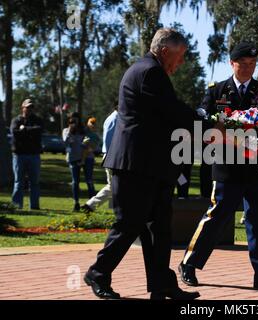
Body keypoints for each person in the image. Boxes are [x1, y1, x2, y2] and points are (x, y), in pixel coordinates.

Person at [84, 28, 199, 300]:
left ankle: (162, 284)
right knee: (130, 223)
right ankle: (98, 273)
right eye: (179, 56)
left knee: (159, 227)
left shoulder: (148, 70)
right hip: (135, 164)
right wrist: (208, 124)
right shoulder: (150, 72)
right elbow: (172, 110)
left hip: (152, 165)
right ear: (164, 51)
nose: (180, 63)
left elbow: (165, 115)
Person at [179, 42, 258, 291]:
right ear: (232, 63)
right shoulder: (217, 90)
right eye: (243, 64)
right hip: (227, 166)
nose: (248, 69)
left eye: (253, 64)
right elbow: (203, 120)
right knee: (216, 217)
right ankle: (189, 263)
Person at [81, 106, 118, 213]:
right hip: (114, 157)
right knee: (118, 185)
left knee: (113, 185)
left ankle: (91, 205)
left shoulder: (110, 118)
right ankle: (117, 211)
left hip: (109, 156)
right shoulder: (117, 119)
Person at [10, 99, 43, 210]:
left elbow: (39, 130)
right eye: (27, 107)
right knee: (18, 182)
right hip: (19, 155)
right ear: (22, 107)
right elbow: (15, 133)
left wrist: (24, 129)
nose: (30, 109)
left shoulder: (37, 120)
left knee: (34, 182)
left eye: (31, 107)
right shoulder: (16, 120)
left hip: (34, 155)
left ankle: (34, 206)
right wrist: (28, 131)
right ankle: (16, 205)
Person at [62, 113, 88, 212]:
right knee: (75, 181)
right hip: (72, 159)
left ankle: (91, 202)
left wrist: (83, 158)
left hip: (84, 158)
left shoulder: (83, 131)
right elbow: (65, 142)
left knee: (89, 181)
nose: (73, 123)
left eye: (75, 121)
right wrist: (69, 130)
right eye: (71, 121)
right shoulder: (66, 131)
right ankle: (76, 202)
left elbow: (86, 143)